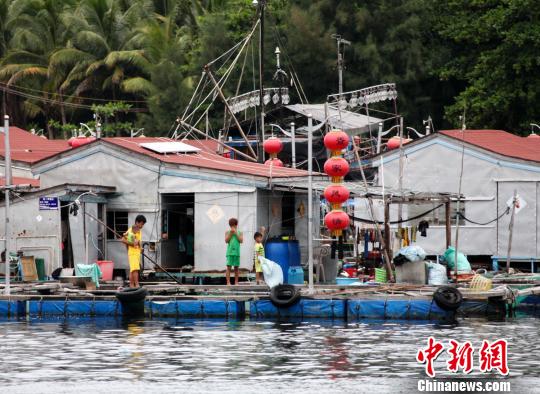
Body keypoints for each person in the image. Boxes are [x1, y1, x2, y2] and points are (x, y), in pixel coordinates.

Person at [122, 215, 146, 288]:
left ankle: (132, 285)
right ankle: (137, 284)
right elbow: (123, 240)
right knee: (135, 269)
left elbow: (139, 241)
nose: (142, 226)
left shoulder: (138, 231)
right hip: (132, 253)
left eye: (143, 224)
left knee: (132, 270)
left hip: (136, 253)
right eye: (141, 224)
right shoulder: (131, 231)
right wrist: (132, 243)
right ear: (136, 222)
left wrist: (141, 248)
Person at [225, 217, 243, 285]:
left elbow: (241, 241)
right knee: (228, 267)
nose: (232, 227)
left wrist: (235, 233)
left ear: (236, 225)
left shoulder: (240, 232)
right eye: (231, 225)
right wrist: (231, 234)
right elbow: (226, 241)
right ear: (230, 226)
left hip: (237, 252)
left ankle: (236, 282)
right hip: (229, 252)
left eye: (234, 225)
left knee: (236, 268)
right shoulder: (227, 232)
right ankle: (228, 282)